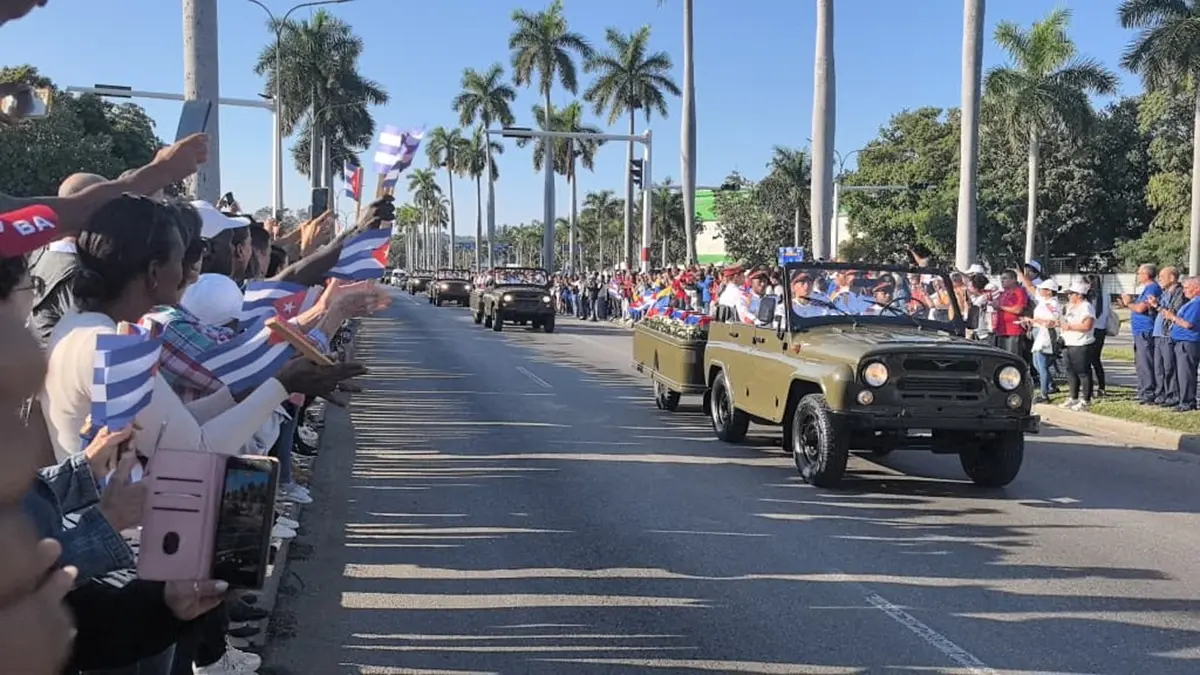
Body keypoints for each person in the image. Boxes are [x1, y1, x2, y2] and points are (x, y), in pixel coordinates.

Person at [1120, 263, 1161, 404]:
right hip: (1139, 331)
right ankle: (1144, 389)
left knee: (1146, 362)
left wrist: (1128, 303)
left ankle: (1148, 392)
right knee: (1140, 362)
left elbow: (1140, 308)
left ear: (1146, 274)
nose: (1138, 276)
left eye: (1139, 273)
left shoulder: (1152, 288)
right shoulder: (1146, 289)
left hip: (1146, 330)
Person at [1161, 276, 1200, 412]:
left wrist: (1171, 317)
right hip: (1180, 341)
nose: (1184, 291)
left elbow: (1188, 324)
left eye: (1187, 288)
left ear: (1197, 289)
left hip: (1188, 342)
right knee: (1181, 373)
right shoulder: (1192, 302)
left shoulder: (1197, 303)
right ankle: (1183, 399)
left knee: (1186, 373)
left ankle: (1187, 402)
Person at [1059, 281, 1096, 411]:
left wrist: (1070, 326)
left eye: (1071, 294)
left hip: (1081, 343)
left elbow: (1087, 326)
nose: (1069, 296)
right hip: (1068, 342)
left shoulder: (1086, 307)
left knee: (1083, 372)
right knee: (1070, 371)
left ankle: (1086, 399)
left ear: (1079, 295)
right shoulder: (1069, 307)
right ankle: (1073, 397)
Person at [1150, 267, 1184, 408]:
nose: (1160, 279)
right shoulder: (1164, 293)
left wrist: (1157, 306)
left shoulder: (1179, 293)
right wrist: (1153, 305)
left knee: (1169, 367)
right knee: (1158, 367)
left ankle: (1172, 395)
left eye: (1162, 276)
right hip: (1158, 334)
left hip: (1168, 334)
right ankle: (1160, 394)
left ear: (1172, 278)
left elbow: (1172, 313)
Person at [1026, 279, 1061, 403]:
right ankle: (1050, 385)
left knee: (1041, 364)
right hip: (1039, 332)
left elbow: (1051, 322)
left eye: (1042, 289)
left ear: (1049, 292)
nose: (1039, 291)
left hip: (1045, 334)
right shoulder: (1044, 300)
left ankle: (1044, 394)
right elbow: (1030, 287)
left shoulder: (1052, 304)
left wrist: (1034, 321)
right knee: (1037, 363)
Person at [992, 270, 1028, 357]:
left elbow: (1018, 310)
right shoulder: (1003, 293)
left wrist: (1001, 307)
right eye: (1001, 279)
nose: (1002, 281)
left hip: (1013, 330)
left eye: (1005, 278)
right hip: (1001, 330)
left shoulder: (1019, 292)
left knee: (1012, 357)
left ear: (1013, 280)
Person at [1084, 273, 1109, 397]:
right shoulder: (1106, 295)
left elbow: (1094, 313)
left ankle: (1095, 387)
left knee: (1090, 359)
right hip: (1101, 329)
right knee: (1095, 360)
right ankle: (1101, 386)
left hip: (1094, 329)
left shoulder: (1091, 297)